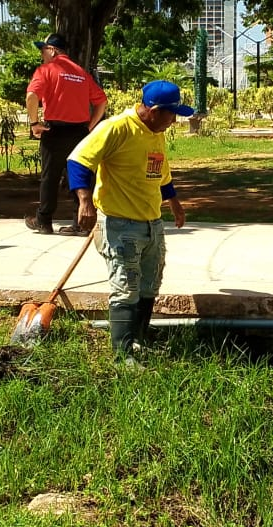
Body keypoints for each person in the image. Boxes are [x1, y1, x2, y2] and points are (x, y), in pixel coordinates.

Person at [67, 80, 189, 362]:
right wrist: (85, 202)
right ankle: (123, 357)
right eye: (172, 114)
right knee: (125, 288)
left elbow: (160, 172)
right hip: (120, 225)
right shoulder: (116, 127)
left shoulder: (155, 131)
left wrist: (174, 202)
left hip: (152, 223)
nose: (174, 121)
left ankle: (138, 341)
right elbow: (78, 161)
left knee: (148, 286)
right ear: (155, 110)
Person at [25, 33, 107, 236]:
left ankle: (43, 221)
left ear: (52, 50)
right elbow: (101, 101)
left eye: (43, 50)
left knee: (50, 177)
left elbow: (32, 96)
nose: (41, 55)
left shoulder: (46, 70)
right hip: (79, 132)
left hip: (55, 131)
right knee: (78, 175)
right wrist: (89, 126)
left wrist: (35, 123)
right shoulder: (81, 72)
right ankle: (79, 223)